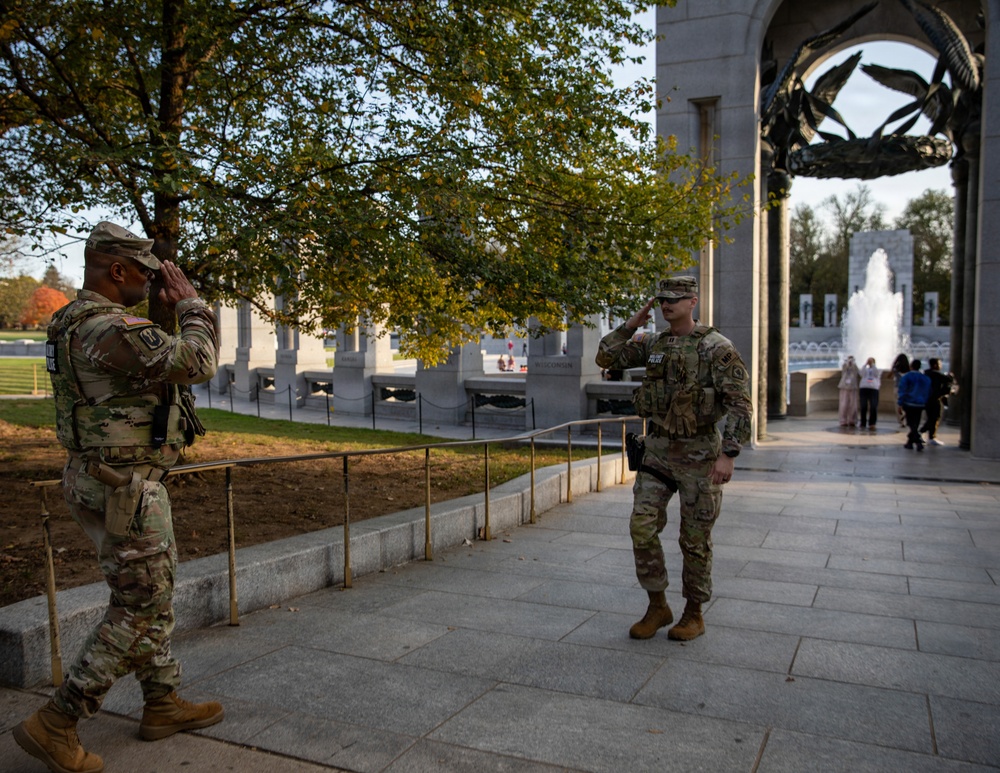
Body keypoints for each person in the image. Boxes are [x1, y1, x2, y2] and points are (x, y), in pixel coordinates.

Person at [14, 222, 224, 773]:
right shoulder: (108, 328)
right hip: (123, 489)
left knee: (146, 593)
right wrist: (194, 306)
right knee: (140, 604)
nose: (157, 284)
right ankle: (58, 720)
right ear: (117, 271)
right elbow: (196, 362)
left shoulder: (70, 322)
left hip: (104, 479)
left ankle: (162, 701)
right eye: (148, 274)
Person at [595, 276, 752, 642]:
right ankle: (657, 605)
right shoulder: (653, 343)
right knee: (641, 526)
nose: (666, 305)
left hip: (700, 454)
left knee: (694, 539)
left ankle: (694, 613)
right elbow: (606, 356)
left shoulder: (717, 348)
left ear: (692, 302)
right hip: (659, 451)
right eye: (662, 299)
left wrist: (728, 455)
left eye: (674, 299)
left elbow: (740, 404)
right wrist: (631, 325)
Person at [897, 358, 931, 451]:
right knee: (915, 423)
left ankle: (918, 441)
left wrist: (900, 403)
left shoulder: (907, 377)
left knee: (911, 424)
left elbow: (902, 391)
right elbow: (927, 392)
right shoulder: (926, 378)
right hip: (920, 404)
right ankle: (909, 443)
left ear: (911, 366)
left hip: (909, 403)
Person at [921, 357, 953, 445]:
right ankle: (925, 434)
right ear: (935, 365)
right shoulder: (936, 375)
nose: (941, 365)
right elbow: (949, 380)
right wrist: (951, 376)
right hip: (934, 399)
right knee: (934, 417)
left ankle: (929, 436)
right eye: (939, 363)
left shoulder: (926, 373)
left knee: (931, 417)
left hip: (927, 399)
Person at [858, 356, 882, 430]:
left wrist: (873, 365)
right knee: (863, 406)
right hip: (864, 388)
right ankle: (863, 422)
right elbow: (861, 373)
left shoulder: (878, 369)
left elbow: (877, 373)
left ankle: (872, 423)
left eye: (871, 361)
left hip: (873, 388)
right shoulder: (865, 369)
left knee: (873, 406)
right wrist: (865, 364)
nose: (869, 362)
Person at [837, 355, 860, 427]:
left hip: (853, 387)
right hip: (844, 387)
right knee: (843, 404)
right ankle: (843, 420)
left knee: (853, 405)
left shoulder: (855, 366)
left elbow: (856, 371)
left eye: (851, 360)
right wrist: (847, 363)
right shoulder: (844, 365)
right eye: (849, 360)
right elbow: (844, 369)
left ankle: (852, 420)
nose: (850, 361)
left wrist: (853, 364)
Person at [892, 353, 911, 427]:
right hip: (906, 389)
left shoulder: (896, 369)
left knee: (897, 404)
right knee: (905, 404)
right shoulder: (909, 370)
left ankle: (901, 420)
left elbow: (890, 375)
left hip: (897, 387)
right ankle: (905, 419)